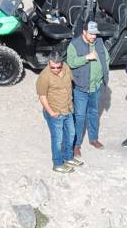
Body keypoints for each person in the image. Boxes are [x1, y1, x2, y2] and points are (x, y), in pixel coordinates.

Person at [66, 20, 110, 156]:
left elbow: (106, 59)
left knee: (93, 113)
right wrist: (86, 57)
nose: (93, 37)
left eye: (95, 34)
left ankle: (93, 139)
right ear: (84, 32)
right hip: (80, 88)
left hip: (95, 87)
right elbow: (71, 63)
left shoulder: (99, 43)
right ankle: (76, 145)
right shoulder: (74, 44)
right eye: (91, 34)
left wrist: (104, 75)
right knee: (79, 116)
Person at [35, 52, 79, 173]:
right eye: (52, 67)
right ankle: (58, 163)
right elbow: (42, 97)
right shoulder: (44, 77)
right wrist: (51, 112)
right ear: (49, 63)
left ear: (61, 63)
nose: (55, 69)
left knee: (71, 134)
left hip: (68, 109)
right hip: (55, 113)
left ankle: (68, 157)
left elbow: (71, 83)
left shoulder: (66, 68)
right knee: (57, 139)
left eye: (58, 67)